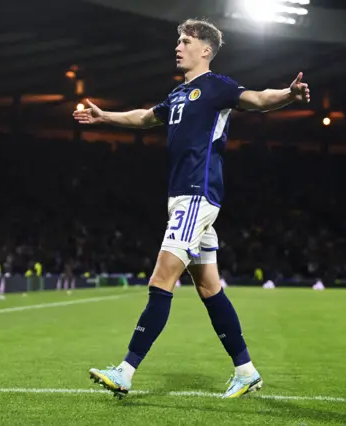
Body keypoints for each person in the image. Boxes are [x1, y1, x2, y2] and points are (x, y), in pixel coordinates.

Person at [73, 18, 310, 399]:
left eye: (185, 42)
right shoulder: (178, 95)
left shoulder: (216, 86)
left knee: (160, 280)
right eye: (178, 42)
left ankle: (126, 371)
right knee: (209, 287)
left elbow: (258, 99)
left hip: (196, 195)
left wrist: (289, 93)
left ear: (205, 50)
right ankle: (246, 370)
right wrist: (105, 117)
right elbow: (145, 118)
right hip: (183, 197)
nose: (178, 48)